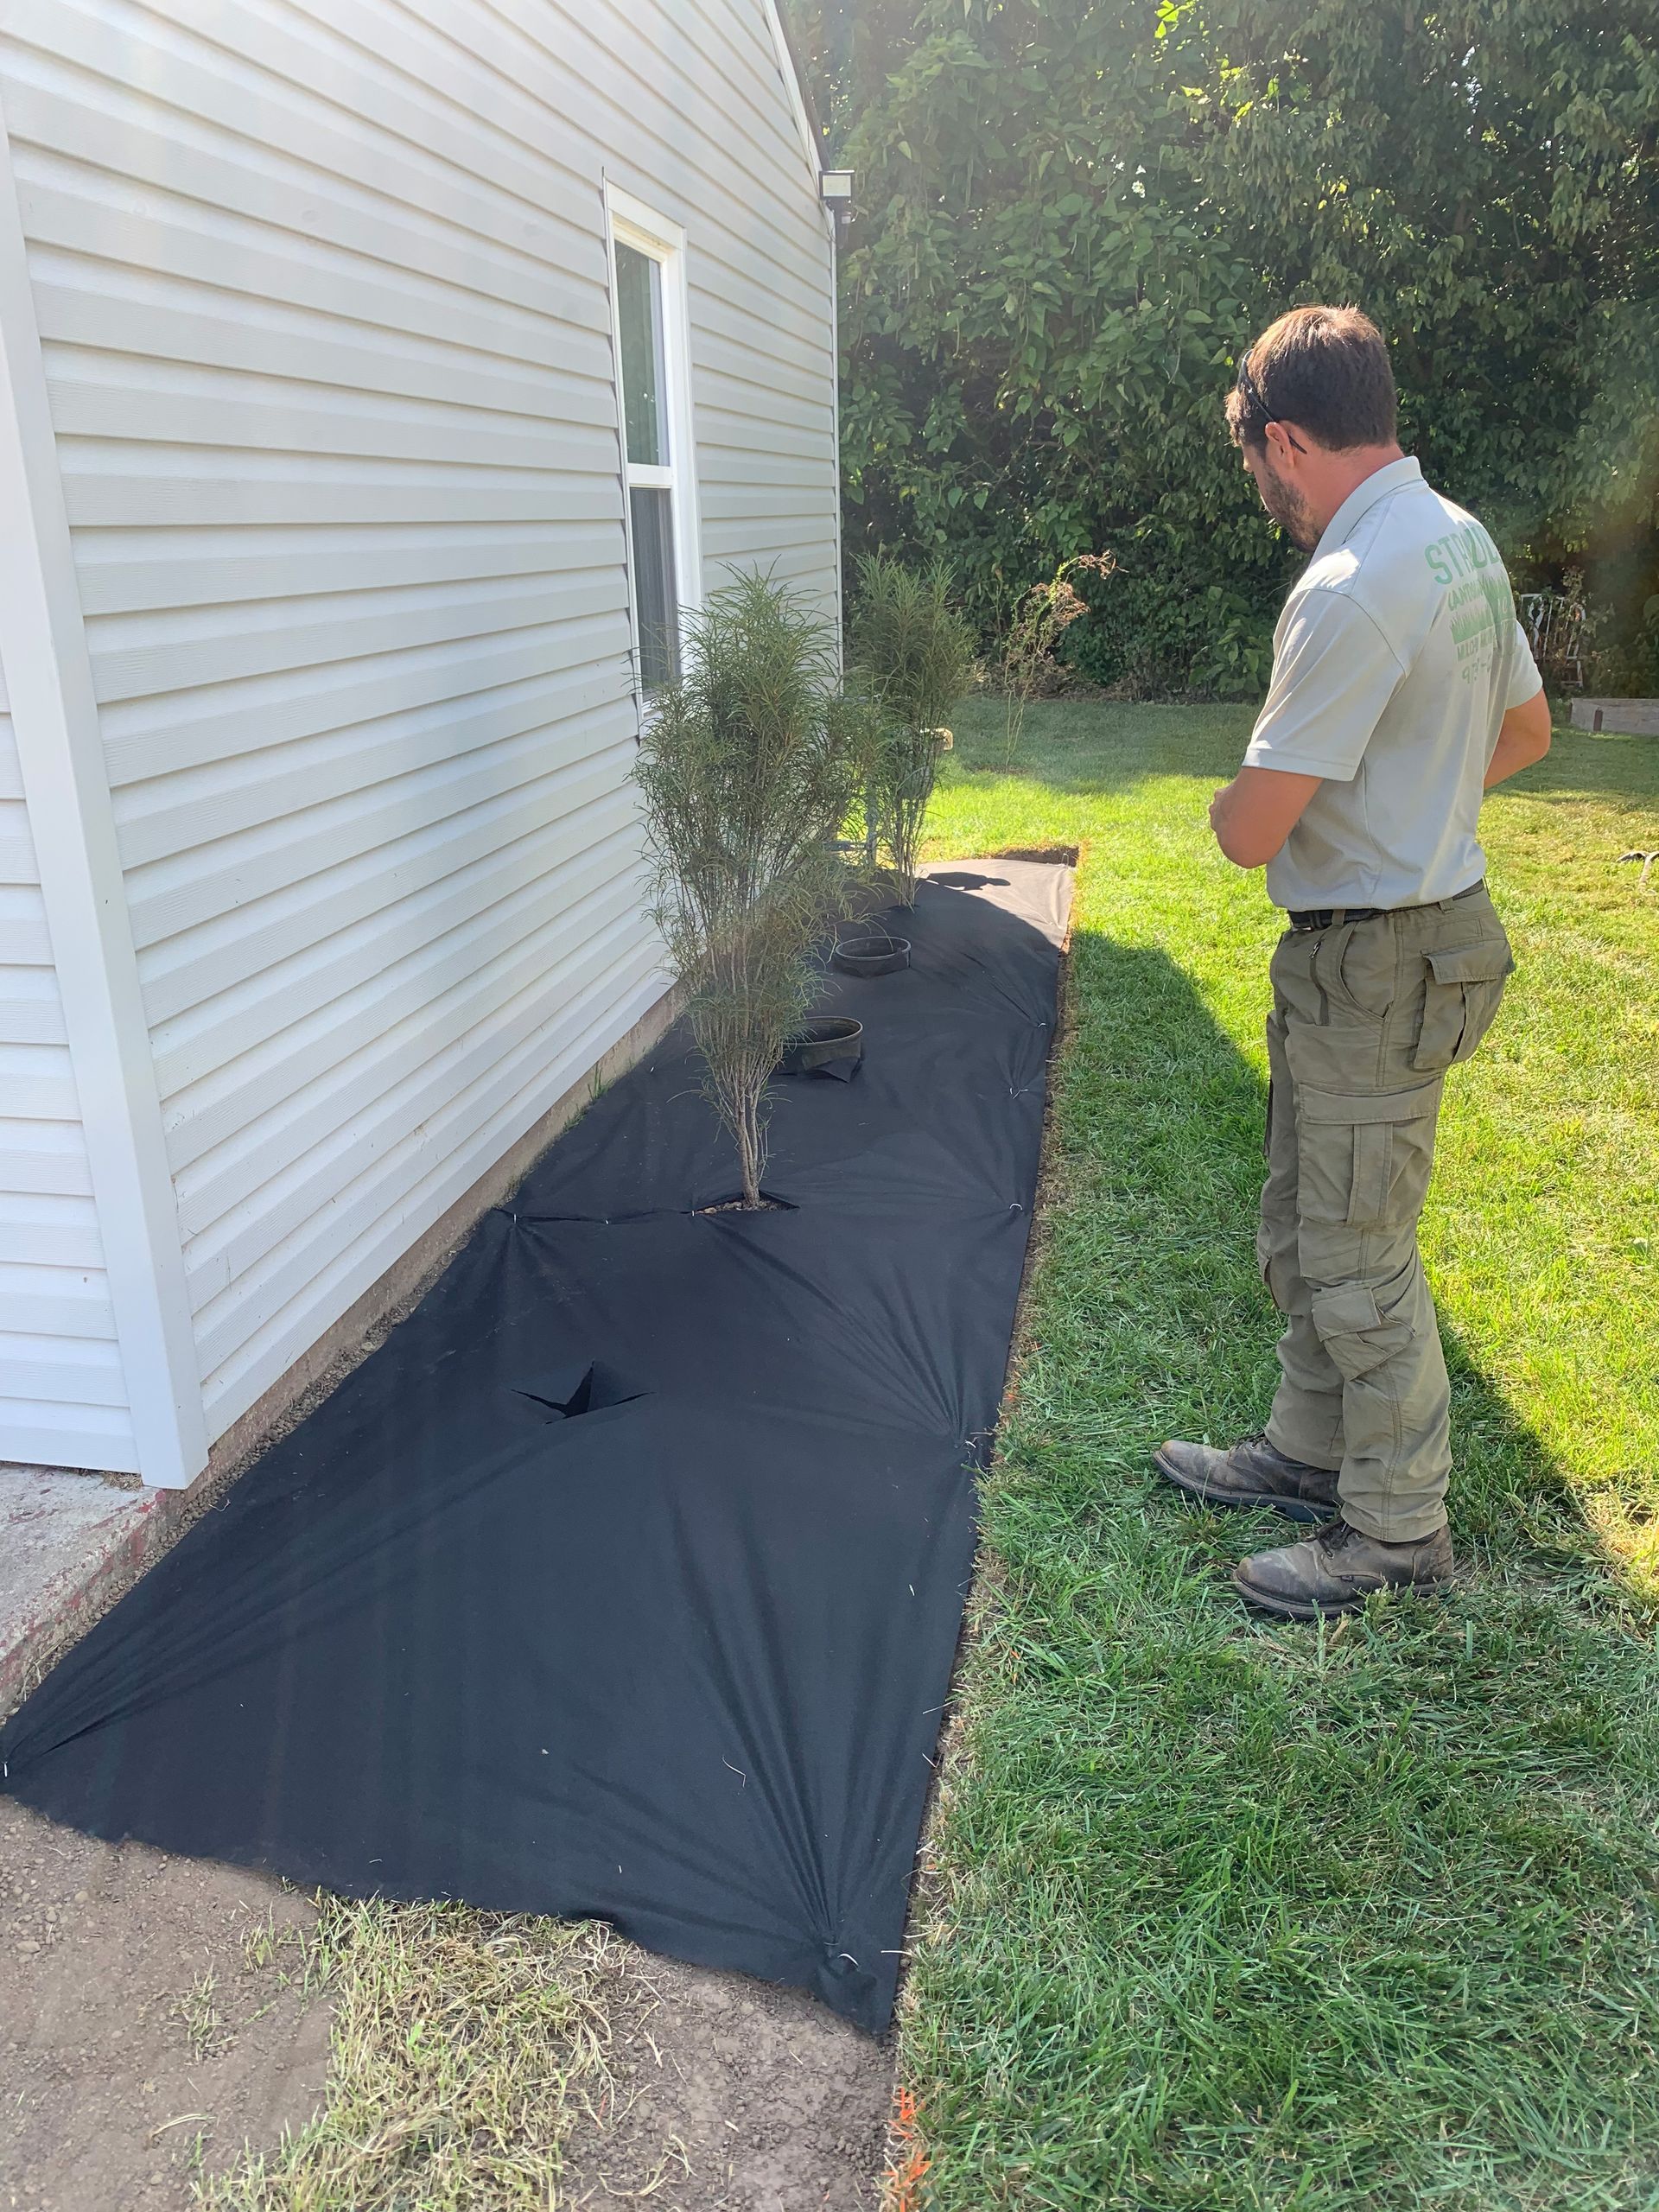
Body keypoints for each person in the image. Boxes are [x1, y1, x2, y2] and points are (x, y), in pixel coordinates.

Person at [1154, 304, 1553, 1618]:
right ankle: (1310, 1450)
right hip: (1412, 943)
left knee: (1359, 1250)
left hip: (1373, 963)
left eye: (1257, 465)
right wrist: (1416, 804)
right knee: (1314, 1219)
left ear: (1284, 438)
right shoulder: (1461, 544)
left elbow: (1251, 828)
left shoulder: (1348, 584)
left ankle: (1396, 1530)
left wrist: (1232, 809)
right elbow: (1527, 733)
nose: (1263, 492)